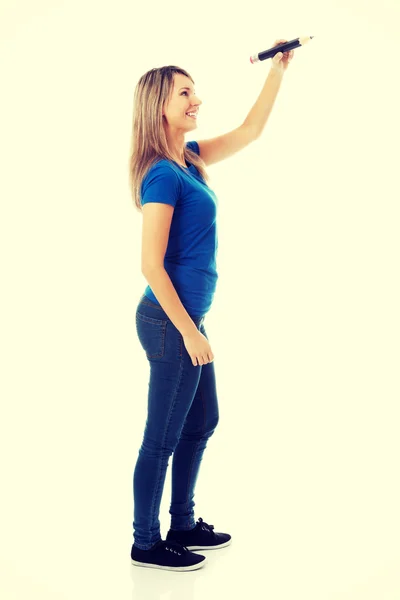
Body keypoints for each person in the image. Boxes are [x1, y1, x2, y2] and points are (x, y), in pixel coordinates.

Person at [128, 48, 292, 572]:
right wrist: (189, 332)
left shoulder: (190, 160)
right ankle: (145, 542)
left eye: (194, 90)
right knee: (163, 435)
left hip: (187, 321)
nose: (197, 99)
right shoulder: (161, 175)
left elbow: (249, 132)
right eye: (185, 92)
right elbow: (151, 266)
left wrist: (277, 71)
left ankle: (181, 522)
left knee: (202, 422)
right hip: (168, 321)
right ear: (159, 106)